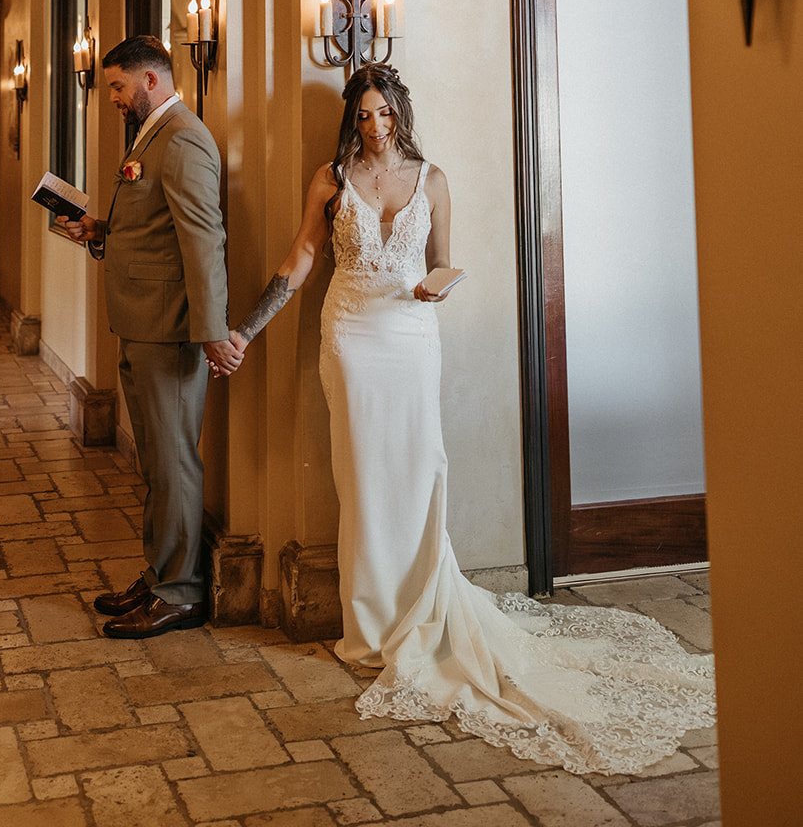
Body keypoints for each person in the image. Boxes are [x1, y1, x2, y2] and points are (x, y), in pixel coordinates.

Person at [228, 64, 715, 775]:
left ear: (401, 112)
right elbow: (303, 255)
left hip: (410, 335)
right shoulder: (330, 179)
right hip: (352, 335)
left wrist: (440, 287)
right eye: (363, 115)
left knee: (420, 468)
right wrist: (246, 329)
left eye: (384, 113)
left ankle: (421, 606)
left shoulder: (433, 180)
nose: (375, 127)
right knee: (362, 477)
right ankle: (370, 627)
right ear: (351, 118)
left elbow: (442, 260)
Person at [66, 35, 241, 638]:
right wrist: (98, 228)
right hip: (140, 322)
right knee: (156, 462)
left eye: (118, 86)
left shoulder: (184, 137)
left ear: (150, 79)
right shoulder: (150, 134)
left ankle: (181, 592)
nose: (112, 97)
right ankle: (162, 570)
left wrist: (211, 331)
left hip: (170, 331)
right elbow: (154, 227)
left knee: (173, 463)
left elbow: (203, 240)